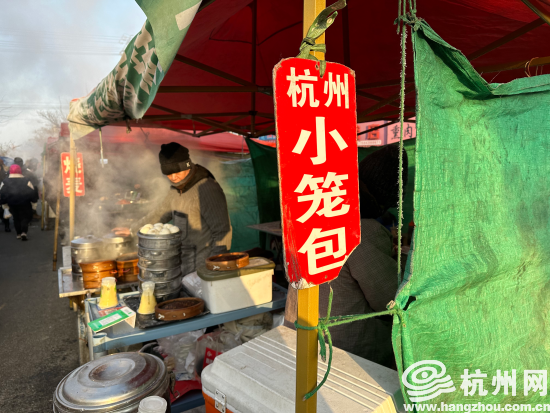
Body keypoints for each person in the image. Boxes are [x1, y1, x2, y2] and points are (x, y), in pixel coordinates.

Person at [284, 145, 408, 369]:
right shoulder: (363, 232)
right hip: (344, 352)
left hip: (299, 335)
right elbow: (390, 299)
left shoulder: (315, 215)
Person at [116, 142, 232, 275]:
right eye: (168, 174)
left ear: (187, 165)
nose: (173, 177)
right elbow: (160, 213)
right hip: (184, 264)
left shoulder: (206, 188)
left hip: (204, 267)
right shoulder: (176, 189)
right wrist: (133, 229)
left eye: (177, 171)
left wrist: (214, 267)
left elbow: (223, 232)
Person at [0, 164, 39, 240]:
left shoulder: (5, 181)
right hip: (25, 203)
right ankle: (24, 232)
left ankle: (18, 233)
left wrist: (4, 204)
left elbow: (2, 193)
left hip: (12, 203)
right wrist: (34, 202)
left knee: (16, 218)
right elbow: (32, 192)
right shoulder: (26, 180)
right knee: (25, 217)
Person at [0, 159, 9, 232]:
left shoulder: (4, 174)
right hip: (3, 194)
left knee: (4, 209)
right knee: (4, 209)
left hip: (2, 193)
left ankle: (6, 225)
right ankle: (6, 225)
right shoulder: (4, 174)